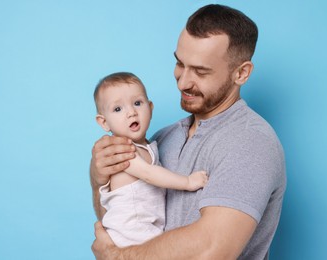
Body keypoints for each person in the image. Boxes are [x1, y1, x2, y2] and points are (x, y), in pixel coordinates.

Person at [90, 4, 286, 260]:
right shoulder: (162, 138)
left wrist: (118, 257)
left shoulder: (251, 142)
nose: (183, 82)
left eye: (200, 71)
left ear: (241, 73)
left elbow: (213, 250)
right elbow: (124, 217)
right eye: (180, 63)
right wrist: (98, 180)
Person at [93, 72, 208, 247]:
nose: (131, 112)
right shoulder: (122, 150)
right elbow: (148, 173)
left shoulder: (149, 144)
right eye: (118, 109)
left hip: (145, 227)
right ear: (104, 123)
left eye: (137, 103)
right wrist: (188, 182)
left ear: (150, 108)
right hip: (130, 232)